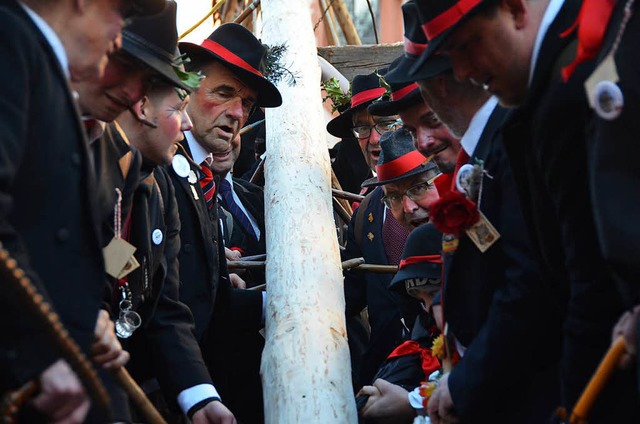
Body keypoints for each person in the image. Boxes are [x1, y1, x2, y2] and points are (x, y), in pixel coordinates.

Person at [411, 0, 637, 421]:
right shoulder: (553, 85)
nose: (461, 73)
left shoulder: (589, 66)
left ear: (515, 9)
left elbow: (574, 283)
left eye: (467, 45)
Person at [0, 0, 159, 421]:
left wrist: (91, 316)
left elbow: (100, 251)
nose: (118, 36)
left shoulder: (120, 155)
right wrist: (38, 351)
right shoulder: (12, 43)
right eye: (118, 17)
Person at [171, 23, 283, 423]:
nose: (237, 114)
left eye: (247, 104)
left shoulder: (200, 177)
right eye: (223, 93)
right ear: (185, 90)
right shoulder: (161, 169)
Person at [343, 127, 440, 389]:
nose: (408, 207)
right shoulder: (365, 217)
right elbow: (349, 297)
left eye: (419, 187)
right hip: (389, 371)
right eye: (394, 197)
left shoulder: (473, 239)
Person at [359, 223, 444, 423]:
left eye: (435, 293)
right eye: (422, 301)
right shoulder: (415, 355)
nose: (432, 310)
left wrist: (411, 405)